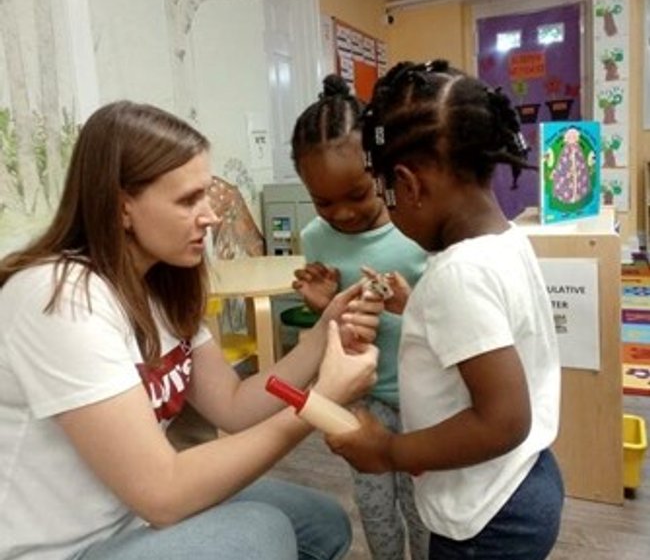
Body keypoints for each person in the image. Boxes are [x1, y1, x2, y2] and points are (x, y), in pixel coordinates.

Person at [0, 100, 381, 560]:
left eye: (206, 194)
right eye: (187, 200)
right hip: (68, 550)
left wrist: (327, 329)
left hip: (130, 520)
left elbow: (234, 407)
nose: (212, 216)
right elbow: (163, 493)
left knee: (322, 524)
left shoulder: (158, 286)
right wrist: (319, 405)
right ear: (123, 207)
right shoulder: (60, 297)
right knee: (261, 530)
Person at [326, 60, 565, 559]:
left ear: (408, 185)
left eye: (385, 193)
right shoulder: (507, 242)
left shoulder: (458, 275)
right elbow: (495, 329)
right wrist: (414, 307)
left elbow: (502, 419)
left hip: (485, 514)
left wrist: (388, 451)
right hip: (526, 478)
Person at [290, 75, 430, 560]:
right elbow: (333, 328)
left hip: (421, 396)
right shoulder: (315, 238)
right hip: (358, 400)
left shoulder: (416, 227)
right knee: (373, 506)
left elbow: (449, 321)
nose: (344, 214)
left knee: (423, 507)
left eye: (357, 194)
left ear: (383, 171)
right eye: (324, 202)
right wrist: (323, 305)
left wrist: (410, 304)